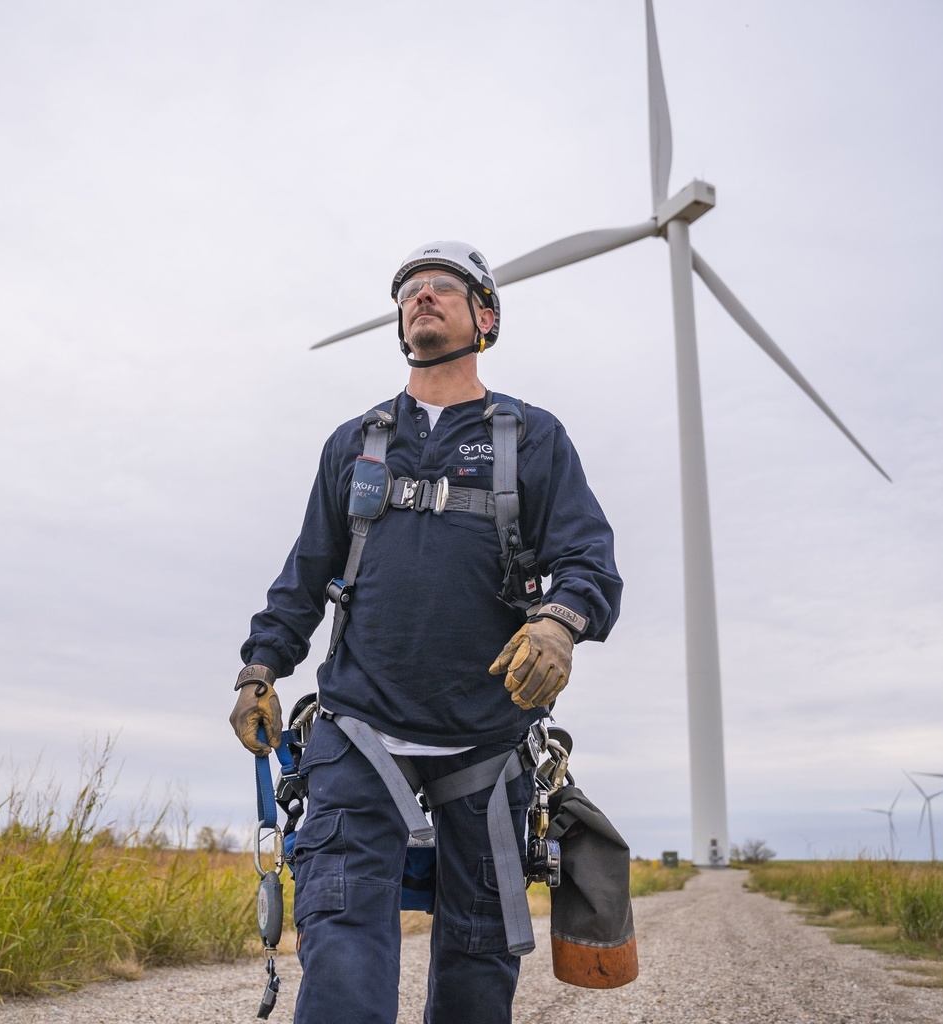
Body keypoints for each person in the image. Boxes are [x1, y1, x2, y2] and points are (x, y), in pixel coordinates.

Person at [230, 240, 622, 1024]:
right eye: (410, 289)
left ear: (487, 316)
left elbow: (590, 563)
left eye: (445, 286)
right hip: (357, 729)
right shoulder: (356, 443)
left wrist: (557, 623)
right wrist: (259, 667)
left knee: (478, 965)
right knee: (339, 943)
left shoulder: (531, 439)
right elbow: (306, 573)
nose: (423, 296)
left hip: (486, 740)